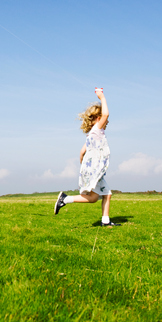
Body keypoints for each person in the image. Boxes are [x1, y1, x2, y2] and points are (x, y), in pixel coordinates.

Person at [54, 88, 117, 226]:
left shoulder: (91, 136)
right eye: (105, 120)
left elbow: (82, 152)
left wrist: (85, 169)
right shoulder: (97, 130)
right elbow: (106, 114)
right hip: (95, 170)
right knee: (100, 196)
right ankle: (66, 199)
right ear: (99, 118)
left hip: (92, 170)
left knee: (100, 196)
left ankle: (104, 220)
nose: (107, 122)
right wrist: (102, 97)